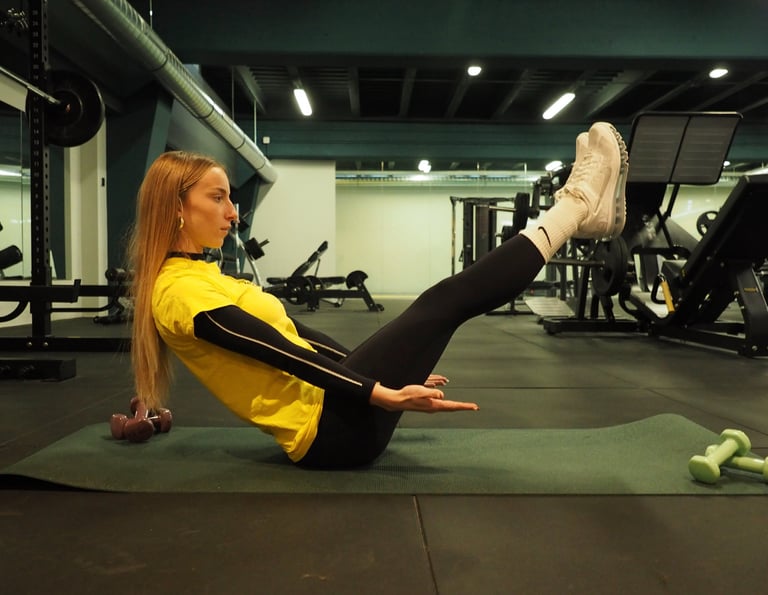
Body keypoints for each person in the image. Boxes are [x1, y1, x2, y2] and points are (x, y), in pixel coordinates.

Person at [128, 122, 628, 469]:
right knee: (444, 302)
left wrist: (373, 377)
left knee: (441, 303)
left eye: (230, 198)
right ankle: (576, 206)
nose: (233, 212)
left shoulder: (205, 276)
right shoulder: (179, 292)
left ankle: (583, 214)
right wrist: (379, 392)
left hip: (337, 413)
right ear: (176, 208)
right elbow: (280, 355)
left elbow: (297, 336)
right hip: (329, 436)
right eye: (218, 198)